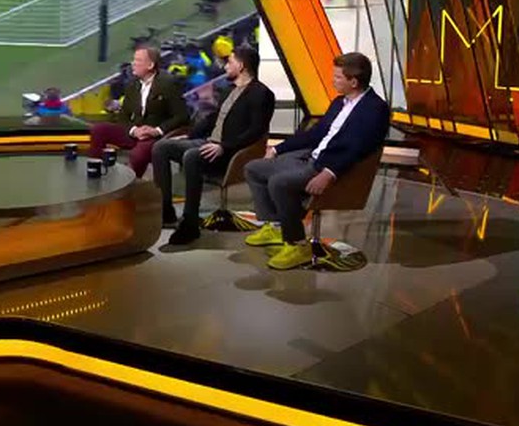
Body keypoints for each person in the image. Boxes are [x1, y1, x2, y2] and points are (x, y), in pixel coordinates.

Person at [243, 52, 390, 270]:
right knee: (254, 168)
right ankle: (276, 226)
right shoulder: (339, 102)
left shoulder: (375, 109)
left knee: (279, 182)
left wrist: (329, 173)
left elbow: (358, 149)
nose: (333, 81)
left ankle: (297, 244)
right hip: (311, 156)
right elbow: (316, 134)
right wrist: (277, 149)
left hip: (328, 166)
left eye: (338, 77)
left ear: (353, 82)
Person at [152, 46, 274, 245]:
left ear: (241, 66)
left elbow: (256, 131)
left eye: (230, 62)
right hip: (209, 142)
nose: (225, 67)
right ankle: (166, 211)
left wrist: (224, 146)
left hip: (231, 152)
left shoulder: (261, 94)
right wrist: (188, 135)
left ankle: (190, 223)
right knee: (161, 147)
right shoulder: (228, 91)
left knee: (192, 156)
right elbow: (212, 119)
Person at [89, 46, 187, 179]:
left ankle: (129, 184)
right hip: (137, 132)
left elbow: (181, 116)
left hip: (157, 137)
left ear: (150, 65)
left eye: (138, 60)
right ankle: (95, 171)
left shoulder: (168, 84)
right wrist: (134, 130)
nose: (133, 63)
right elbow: (123, 116)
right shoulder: (133, 84)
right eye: (134, 59)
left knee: (138, 154)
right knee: (99, 130)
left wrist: (157, 130)